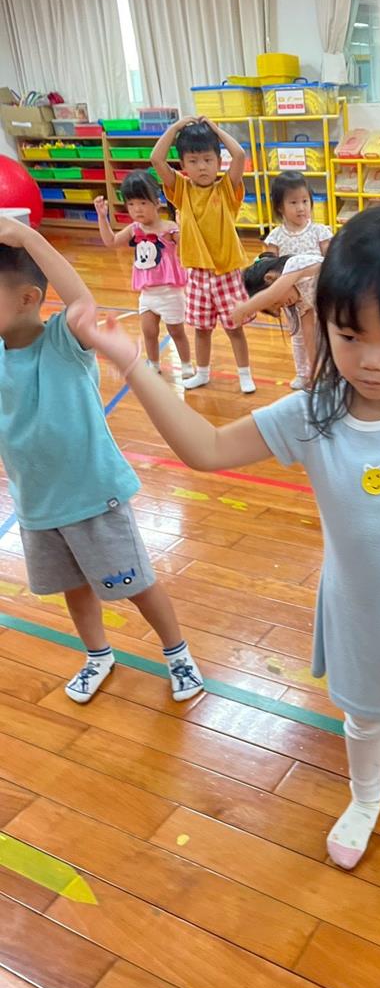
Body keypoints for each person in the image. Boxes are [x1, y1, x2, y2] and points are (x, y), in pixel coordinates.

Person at [67, 202, 380, 896]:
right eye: (349, 335)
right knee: (361, 716)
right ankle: (365, 798)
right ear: (324, 322)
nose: (371, 360)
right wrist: (130, 360)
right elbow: (205, 448)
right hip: (354, 608)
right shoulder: (312, 413)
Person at [0, 217, 203, 704]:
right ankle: (97, 654)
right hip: (37, 505)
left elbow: (80, 302)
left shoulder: (64, 342)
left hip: (93, 497)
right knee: (74, 587)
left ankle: (177, 653)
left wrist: (27, 237)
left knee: (136, 583)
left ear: (28, 299)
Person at [150, 116, 255, 394]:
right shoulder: (181, 190)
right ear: (183, 165)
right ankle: (203, 373)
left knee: (234, 328)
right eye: (193, 161)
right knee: (201, 329)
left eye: (208, 160)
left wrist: (216, 130)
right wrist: (174, 128)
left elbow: (239, 155)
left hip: (227, 272)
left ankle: (245, 374)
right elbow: (156, 159)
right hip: (197, 273)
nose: (202, 167)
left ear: (218, 162)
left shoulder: (226, 189)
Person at [93, 171, 193, 377]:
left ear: (157, 202)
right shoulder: (134, 229)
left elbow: (187, 249)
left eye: (142, 203)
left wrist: (182, 226)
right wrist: (102, 217)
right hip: (147, 293)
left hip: (170, 292)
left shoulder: (169, 228)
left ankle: (186, 364)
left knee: (176, 332)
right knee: (149, 331)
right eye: (131, 204)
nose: (137, 209)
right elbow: (111, 241)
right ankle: (153, 364)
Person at [239, 253, 322, 389]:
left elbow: (271, 294)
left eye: (276, 302)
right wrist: (315, 372)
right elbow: (309, 337)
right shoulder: (301, 301)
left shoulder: (295, 265)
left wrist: (245, 309)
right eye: (280, 307)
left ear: (271, 278)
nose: (284, 305)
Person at [261, 172, 332, 258]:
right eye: (293, 202)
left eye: (305, 201)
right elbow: (270, 263)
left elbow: (329, 260)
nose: (301, 208)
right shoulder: (275, 237)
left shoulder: (320, 232)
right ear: (280, 207)